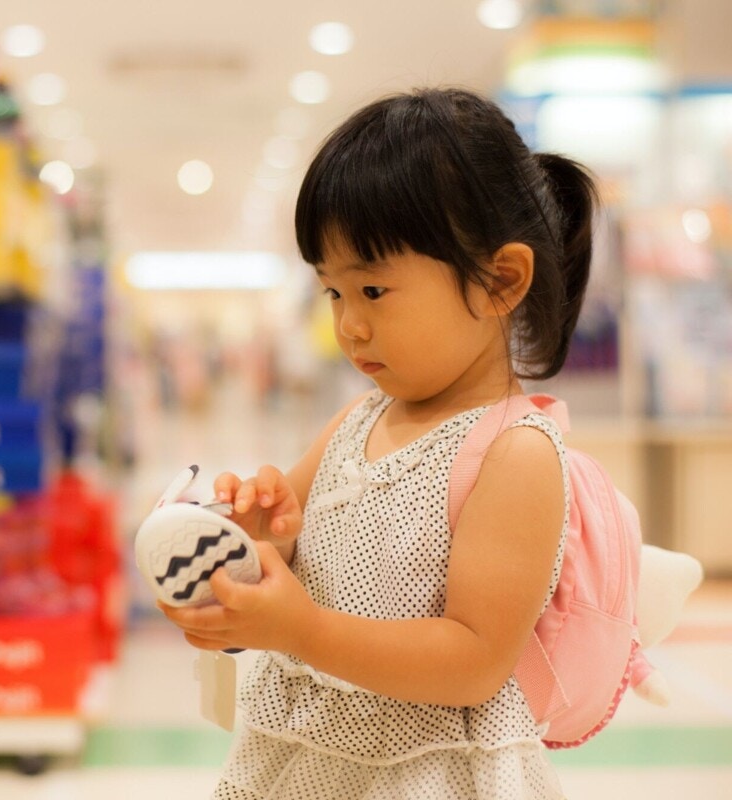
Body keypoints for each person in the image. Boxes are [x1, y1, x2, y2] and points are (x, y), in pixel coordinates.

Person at [159, 86, 599, 799]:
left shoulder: (513, 453)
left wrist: (302, 632)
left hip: (429, 775)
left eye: (372, 291)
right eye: (332, 292)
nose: (348, 326)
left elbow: (475, 660)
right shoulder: (357, 421)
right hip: (304, 760)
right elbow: (283, 556)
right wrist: (248, 543)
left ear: (500, 281)